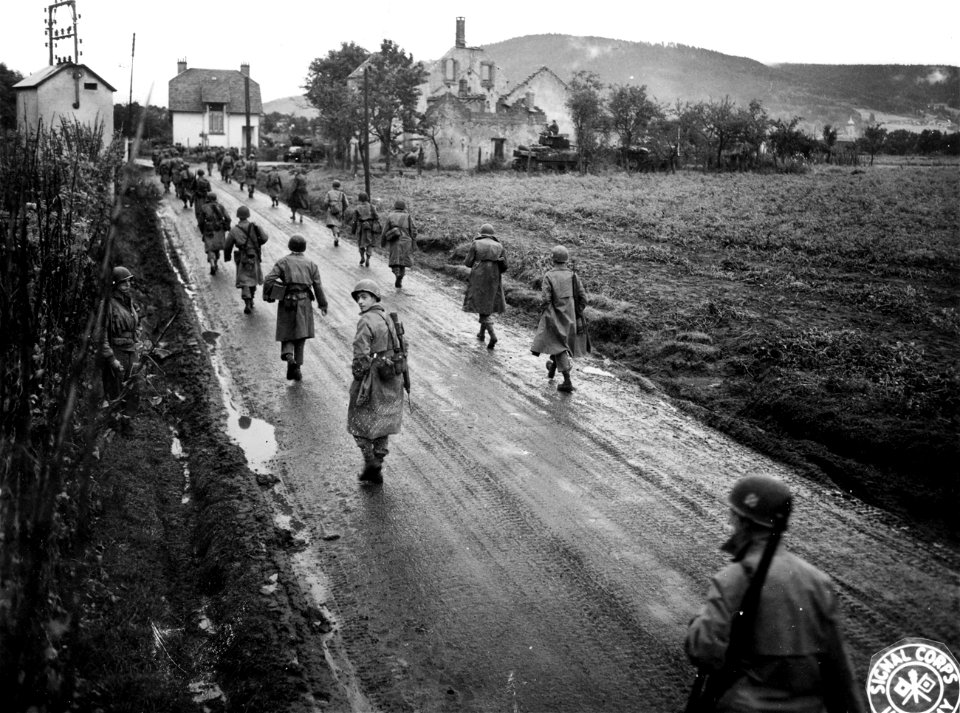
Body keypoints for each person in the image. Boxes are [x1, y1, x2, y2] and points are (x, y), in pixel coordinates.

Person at [685, 475, 866, 713]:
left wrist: (697, 624)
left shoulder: (734, 578)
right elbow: (839, 669)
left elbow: (704, 651)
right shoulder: (818, 582)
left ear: (741, 520)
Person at [347, 279, 405, 484]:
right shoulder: (388, 317)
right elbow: (402, 344)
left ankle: (370, 461)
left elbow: (361, 353)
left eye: (365, 297)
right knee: (383, 420)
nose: (360, 302)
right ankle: (378, 465)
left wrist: (358, 377)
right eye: (358, 298)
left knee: (357, 418)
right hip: (392, 376)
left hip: (373, 377)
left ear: (374, 298)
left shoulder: (366, 320)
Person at [262, 235, 327, 380]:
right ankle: (297, 366)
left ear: (290, 246)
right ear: (304, 247)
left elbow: (269, 279)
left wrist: (268, 295)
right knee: (300, 335)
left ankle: (289, 356)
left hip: (287, 301)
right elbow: (317, 286)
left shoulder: (283, 262)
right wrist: (323, 304)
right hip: (304, 302)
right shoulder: (311, 264)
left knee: (287, 331)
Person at [530, 245, 589, 392]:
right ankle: (551, 368)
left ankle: (567, 380)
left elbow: (545, 299)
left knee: (559, 345)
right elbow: (583, 298)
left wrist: (545, 313)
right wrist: (576, 312)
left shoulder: (549, 276)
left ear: (552, 259)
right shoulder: (573, 276)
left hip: (553, 316)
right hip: (571, 317)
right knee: (559, 343)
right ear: (566, 260)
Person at [101, 266, 142, 434]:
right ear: (114, 285)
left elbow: (135, 327)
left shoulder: (128, 302)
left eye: (128, 281)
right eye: (123, 283)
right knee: (115, 389)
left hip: (131, 350)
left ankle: (126, 423)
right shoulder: (107, 305)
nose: (127, 285)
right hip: (117, 351)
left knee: (133, 387)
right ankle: (113, 425)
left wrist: (139, 342)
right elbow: (101, 336)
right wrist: (111, 359)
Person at [462, 223, 507, 349]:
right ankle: (481, 334)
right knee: (487, 303)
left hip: (479, 275)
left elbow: (468, 263)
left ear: (481, 233)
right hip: (494, 277)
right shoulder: (499, 246)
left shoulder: (476, 243)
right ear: (492, 234)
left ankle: (493, 336)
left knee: (481, 304)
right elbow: (505, 267)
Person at [224, 205, 268, 313]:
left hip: (243, 257)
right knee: (253, 278)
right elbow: (265, 238)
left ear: (238, 216)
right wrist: (257, 243)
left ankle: (247, 302)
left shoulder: (234, 230)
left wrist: (227, 256)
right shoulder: (255, 226)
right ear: (248, 215)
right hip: (254, 255)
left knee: (244, 280)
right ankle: (251, 298)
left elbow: (227, 245)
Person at [380, 199, 417, 288]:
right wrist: (412, 239)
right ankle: (400, 277)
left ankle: (397, 274)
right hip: (407, 242)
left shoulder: (390, 216)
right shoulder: (408, 216)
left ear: (395, 206)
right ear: (404, 207)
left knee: (394, 261)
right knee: (403, 262)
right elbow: (414, 230)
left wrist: (383, 242)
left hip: (395, 241)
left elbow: (384, 231)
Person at [198, 193, 230, 275]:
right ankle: (215, 263)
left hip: (208, 230)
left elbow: (201, 221)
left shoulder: (204, 207)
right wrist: (226, 226)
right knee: (217, 247)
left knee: (210, 248)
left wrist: (202, 231)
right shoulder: (221, 206)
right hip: (219, 229)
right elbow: (228, 218)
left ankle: (212, 263)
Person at [350, 192, 379, 266]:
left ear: (360, 199)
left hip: (361, 227)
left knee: (361, 244)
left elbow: (354, 220)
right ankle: (368, 259)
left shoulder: (357, 208)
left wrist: (353, 230)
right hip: (370, 227)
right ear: (367, 198)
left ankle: (362, 257)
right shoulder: (372, 206)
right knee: (370, 243)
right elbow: (377, 216)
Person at [323, 179, 349, 247]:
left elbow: (325, 202)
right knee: (337, 224)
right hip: (339, 210)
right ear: (339, 186)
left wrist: (326, 208)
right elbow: (346, 204)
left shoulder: (329, 193)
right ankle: (337, 234)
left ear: (332, 186)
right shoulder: (342, 194)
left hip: (331, 209)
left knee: (332, 225)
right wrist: (343, 210)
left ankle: (336, 236)